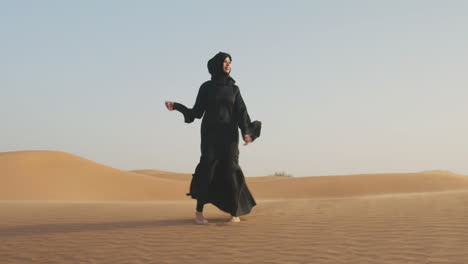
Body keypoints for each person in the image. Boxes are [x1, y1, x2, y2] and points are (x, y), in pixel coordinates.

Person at [165, 51, 261, 225]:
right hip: (210, 136)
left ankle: (234, 212)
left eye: (230, 62)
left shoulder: (234, 89)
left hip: (229, 137)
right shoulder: (206, 88)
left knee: (231, 170)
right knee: (207, 170)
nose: (228, 64)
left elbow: (241, 113)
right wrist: (177, 107)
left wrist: (247, 132)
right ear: (217, 65)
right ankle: (199, 212)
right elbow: (196, 112)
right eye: (225, 62)